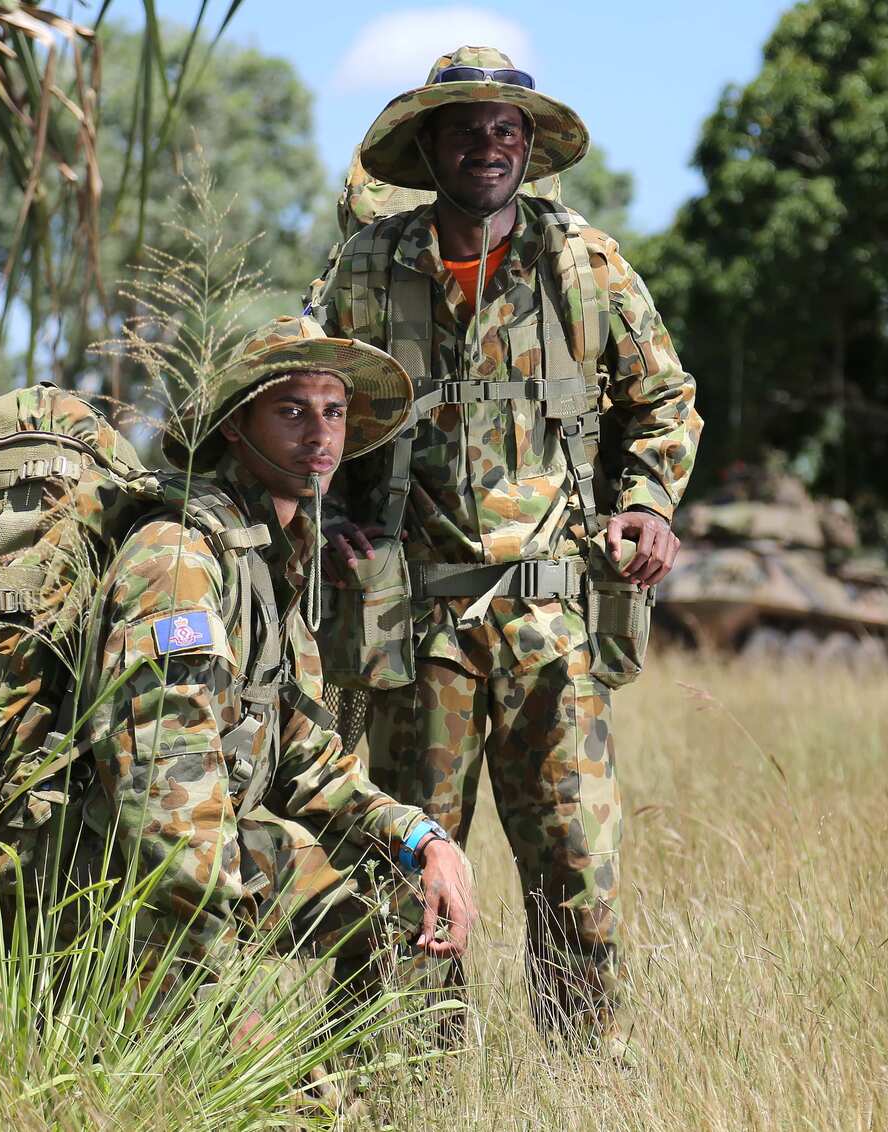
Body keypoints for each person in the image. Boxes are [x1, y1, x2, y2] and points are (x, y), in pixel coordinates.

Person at [308, 47, 703, 1052]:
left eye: (503, 130)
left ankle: (582, 1088)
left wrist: (646, 506)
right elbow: (293, 396)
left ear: (527, 149)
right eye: (462, 129)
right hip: (414, 627)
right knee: (404, 876)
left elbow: (664, 401)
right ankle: (404, 1093)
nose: (484, 146)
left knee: (579, 874)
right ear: (427, 145)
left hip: (554, 628)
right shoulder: (368, 266)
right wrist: (319, 518)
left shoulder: (584, 264)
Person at [78, 314, 478, 1029]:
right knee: (277, 1103)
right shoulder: (181, 559)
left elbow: (306, 758)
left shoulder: (272, 559)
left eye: (334, 411)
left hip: (198, 864)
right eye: (291, 411)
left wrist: (422, 837)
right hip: (112, 878)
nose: (320, 436)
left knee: (398, 896)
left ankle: (384, 1095)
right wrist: (223, 1010)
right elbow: (170, 814)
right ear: (235, 425)